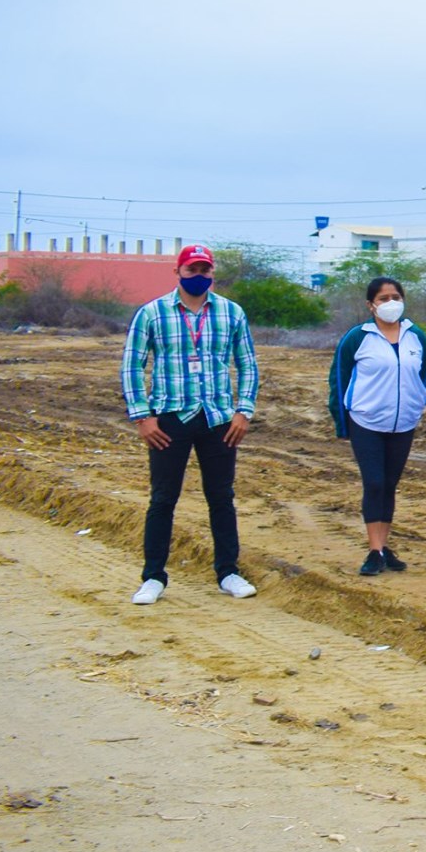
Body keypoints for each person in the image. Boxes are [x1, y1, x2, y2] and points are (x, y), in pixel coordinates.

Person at [120, 244, 260, 605]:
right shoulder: (152, 313)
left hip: (218, 419)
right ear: (178, 272)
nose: (198, 276)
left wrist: (243, 411)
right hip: (169, 418)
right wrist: (142, 416)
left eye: (204, 270)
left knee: (221, 497)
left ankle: (228, 572)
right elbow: (132, 365)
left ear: (212, 273)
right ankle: (153, 577)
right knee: (163, 498)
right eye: (192, 270)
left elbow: (247, 364)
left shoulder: (231, 313)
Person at [329, 276, 426, 576]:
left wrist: (417, 403)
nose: (391, 303)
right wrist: (342, 420)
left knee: (389, 484)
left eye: (395, 297)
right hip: (366, 421)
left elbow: (423, 374)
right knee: (374, 482)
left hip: (403, 424)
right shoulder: (357, 338)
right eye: (383, 298)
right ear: (370, 305)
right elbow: (339, 379)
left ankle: (384, 547)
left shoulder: (417, 337)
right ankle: (374, 551)